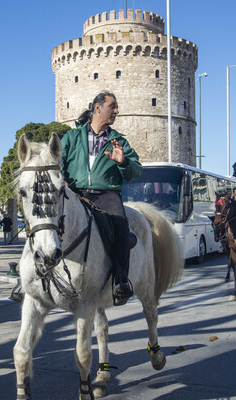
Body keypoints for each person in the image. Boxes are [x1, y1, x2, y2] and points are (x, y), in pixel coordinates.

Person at [60, 91, 142, 306]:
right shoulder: (72, 137)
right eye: (112, 106)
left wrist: (123, 162)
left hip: (106, 195)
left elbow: (135, 172)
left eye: (116, 107)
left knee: (121, 226)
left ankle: (121, 280)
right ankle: (33, 278)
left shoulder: (119, 141)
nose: (116, 111)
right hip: (75, 193)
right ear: (98, 108)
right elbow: (57, 161)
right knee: (47, 221)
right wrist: (63, 179)